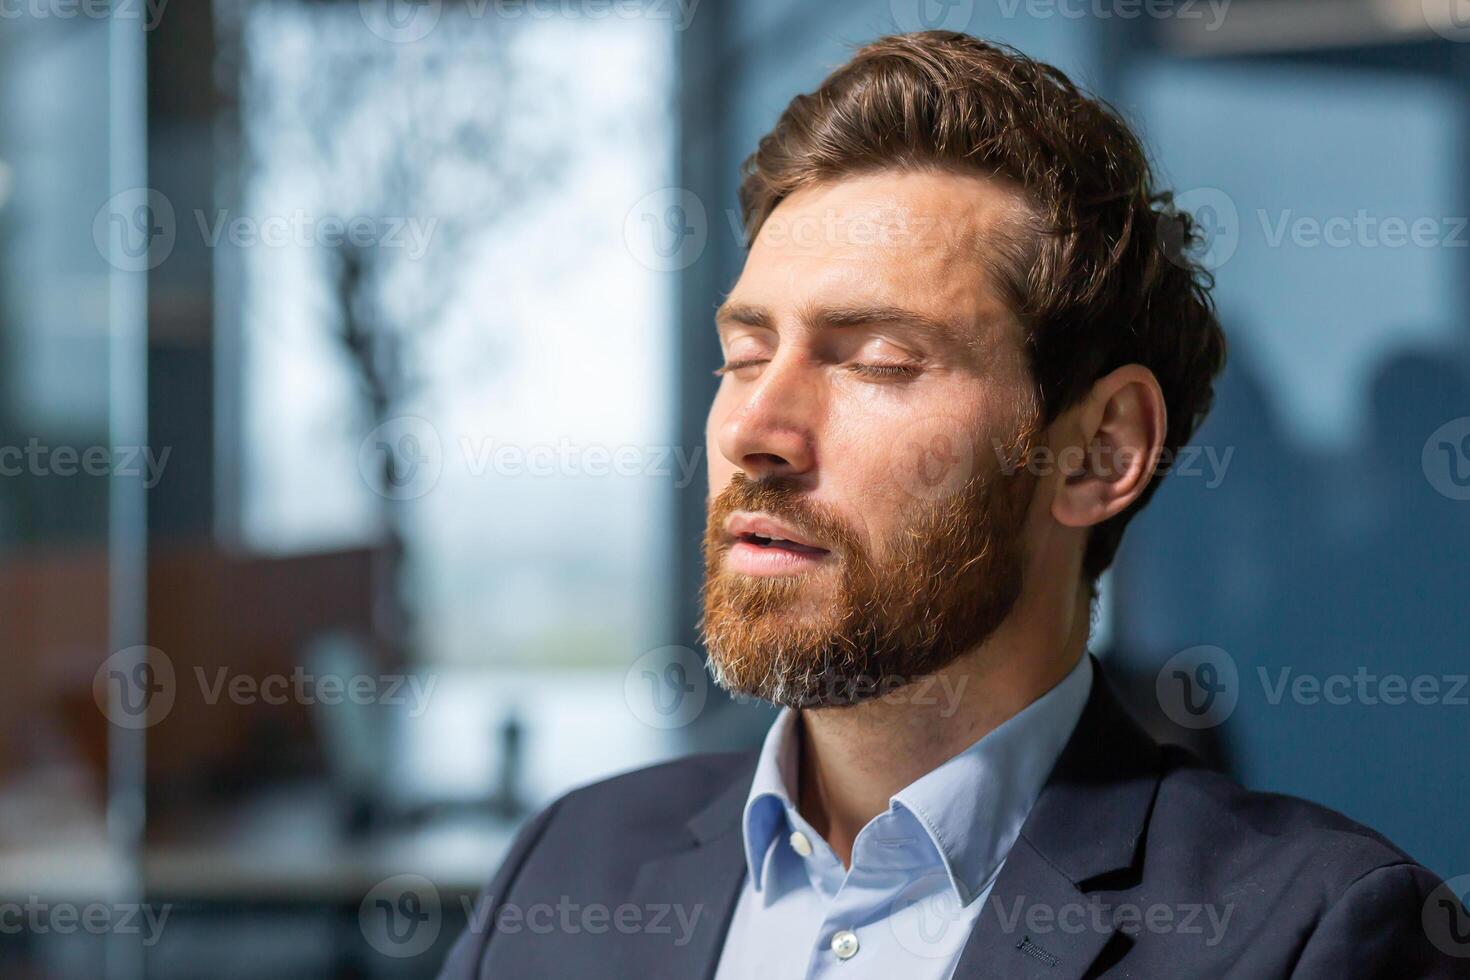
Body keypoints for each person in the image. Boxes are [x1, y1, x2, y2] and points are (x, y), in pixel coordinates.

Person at [439, 31, 1467, 979]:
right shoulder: (565, 868)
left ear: (1100, 450)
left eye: (878, 361)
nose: (756, 426)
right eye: (744, 355)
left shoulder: (1313, 934)